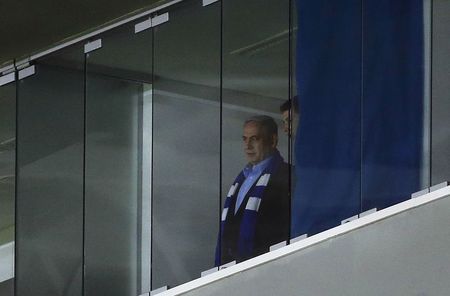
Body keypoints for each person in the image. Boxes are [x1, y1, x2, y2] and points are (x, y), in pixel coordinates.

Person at [216, 115, 290, 266]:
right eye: (245, 139)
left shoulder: (286, 175)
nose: (248, 145)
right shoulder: (240, 181)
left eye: (254, 139)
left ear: (273, 141)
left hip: (266, 268)